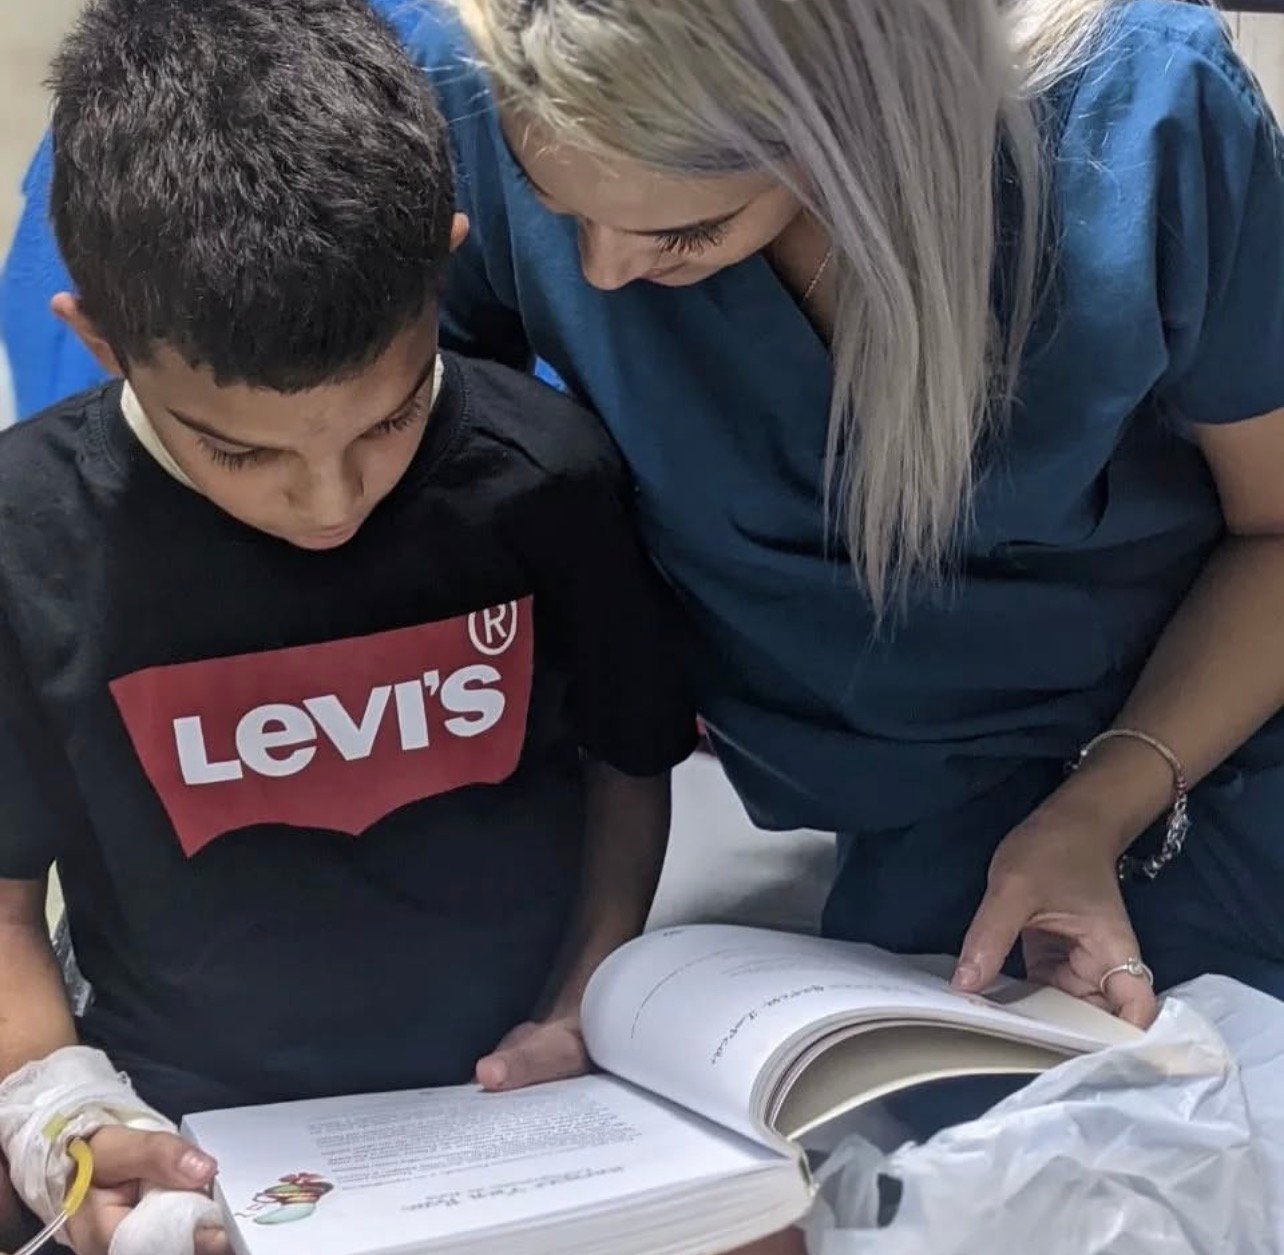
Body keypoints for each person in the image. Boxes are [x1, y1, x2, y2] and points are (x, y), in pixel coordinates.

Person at [8, 0, 1284, 1116]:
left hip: (1191, 733)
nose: (603, 276)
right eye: (559, 211)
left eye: (685, 234)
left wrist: (1103, 804)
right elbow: (371, 450)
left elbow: (1273, 532)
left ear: (846, 118)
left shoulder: (1149, 127)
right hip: (885, 835)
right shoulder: (459, 99)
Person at [0, 0, 697, 1251]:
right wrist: (67, 1114)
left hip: (513, 1102)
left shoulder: (548, 476)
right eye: (242, 451)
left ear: (444, 266)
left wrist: (582, 993)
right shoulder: (25, 537)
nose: (330, 502)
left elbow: (629, 766)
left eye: (389, 418)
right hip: (182, 1117)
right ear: (98, 339)